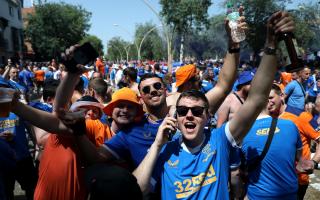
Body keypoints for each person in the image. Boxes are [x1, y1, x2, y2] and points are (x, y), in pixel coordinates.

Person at [132, 11, 294, 199]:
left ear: (208, 116)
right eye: (183, 111)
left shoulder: (219, 139)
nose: (189, 115)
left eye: (197, 111)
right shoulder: (166, 151)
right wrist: (157, 145)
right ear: (175, 118)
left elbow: (256, 100)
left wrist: (271, 45)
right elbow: (137, 191)